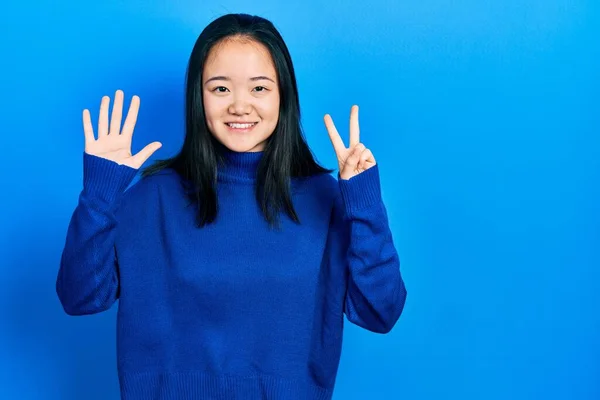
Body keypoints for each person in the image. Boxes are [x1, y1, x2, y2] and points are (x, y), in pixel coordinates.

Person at [56, 12, 407, 400]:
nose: (240, 106)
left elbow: (381, 312)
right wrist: (100, 195)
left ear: (283, 96)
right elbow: (80, 298)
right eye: (220, 89)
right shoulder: (151, 198)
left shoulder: (327, 202)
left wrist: (365, 203)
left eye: (259, 88)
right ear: (198, 97)